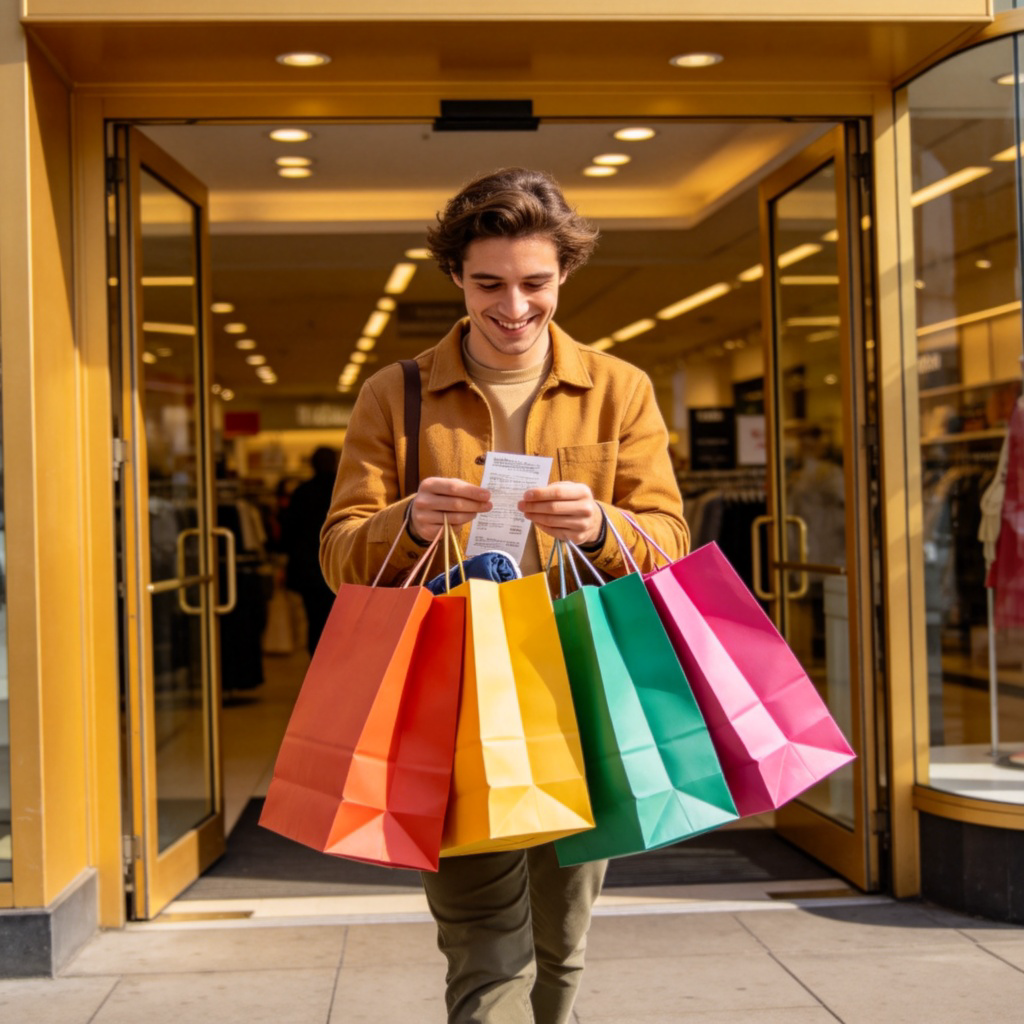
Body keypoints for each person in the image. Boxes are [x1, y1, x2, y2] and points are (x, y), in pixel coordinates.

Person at [320, 167, 689, 1024]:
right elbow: (340, 558)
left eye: (535, 283)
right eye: (489, 283)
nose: (513, 306)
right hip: (452, 690)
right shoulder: (396, 393)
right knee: (484, 945)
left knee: (564, 939)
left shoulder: (618, 388)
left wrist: (599, 527)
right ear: (455, 276)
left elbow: (669, 543)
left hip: (581, 681)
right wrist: (408, 524)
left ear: (564, 276)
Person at [282, 445, 339, 654]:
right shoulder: (344, 490)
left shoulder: (301, 492)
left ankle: (317, 667)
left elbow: (289, 532)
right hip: (341, 566)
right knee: (344, 621)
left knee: (315, 622)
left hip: (310, 570)